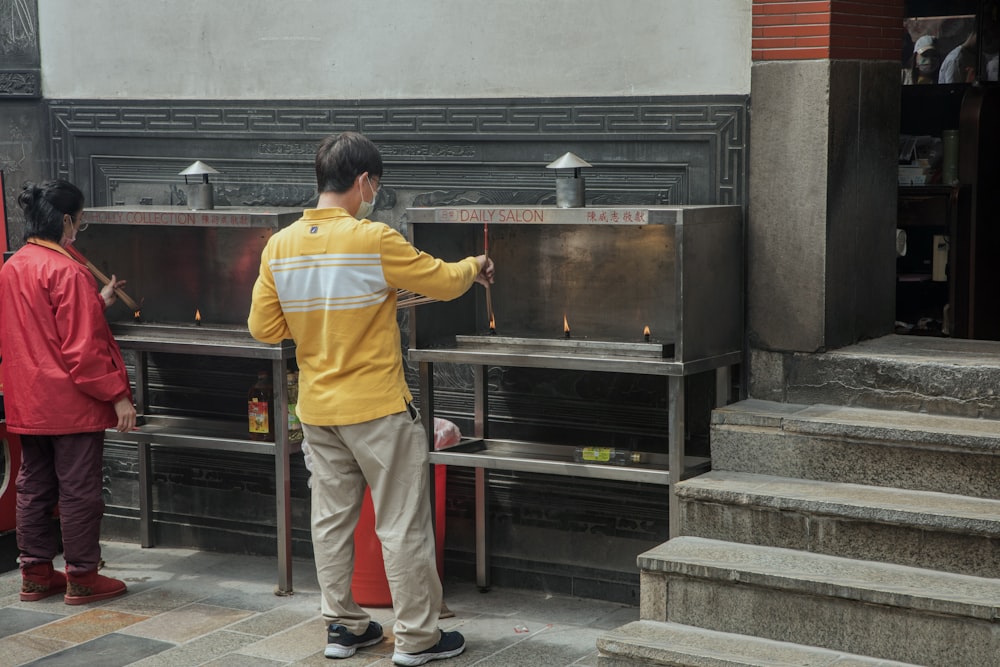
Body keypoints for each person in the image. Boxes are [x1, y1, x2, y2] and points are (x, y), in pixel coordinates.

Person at [248, 131, 493, 665]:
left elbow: (264, 327)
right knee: (402, 524)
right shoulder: (372, 237)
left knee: (330, 522)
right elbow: (444, 281)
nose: (373, 194)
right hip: (378, 408)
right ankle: (417, 639)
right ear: (364, 182)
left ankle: (344, 627)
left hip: (317, 409)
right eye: (374, 185)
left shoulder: (280, 245)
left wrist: (321, 315)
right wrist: (475, 265)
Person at [0, 179, 136, 605]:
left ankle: (36, 574)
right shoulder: (68, 270)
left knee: (34, 484)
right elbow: (84, 352)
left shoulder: (14, 265)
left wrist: (96, 300)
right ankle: (81, 576)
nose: (79, 229)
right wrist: (119, 397)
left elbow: (42, 325)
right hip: (71, 404)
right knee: (78, 489)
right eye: (79, 221)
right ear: (65, 220)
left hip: (28, 397)